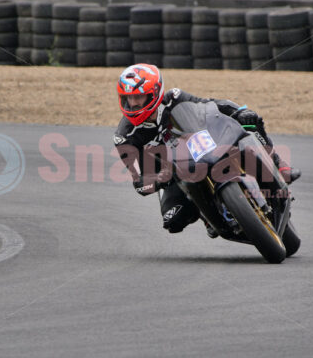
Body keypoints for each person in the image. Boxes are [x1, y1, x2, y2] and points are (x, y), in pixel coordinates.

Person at [113, 63, 300, 237]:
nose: (134, 103)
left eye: (138, 96)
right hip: (171, 175)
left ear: (154, 93)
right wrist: (161, 178)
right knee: (173, 220)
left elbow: (210, 105)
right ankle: (207, 215)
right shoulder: (124, 136)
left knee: (250, 123)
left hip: (201, 145)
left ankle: (278, 164)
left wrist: (240, 111)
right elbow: (139, 182)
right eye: (128, 98)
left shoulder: (174, 98)